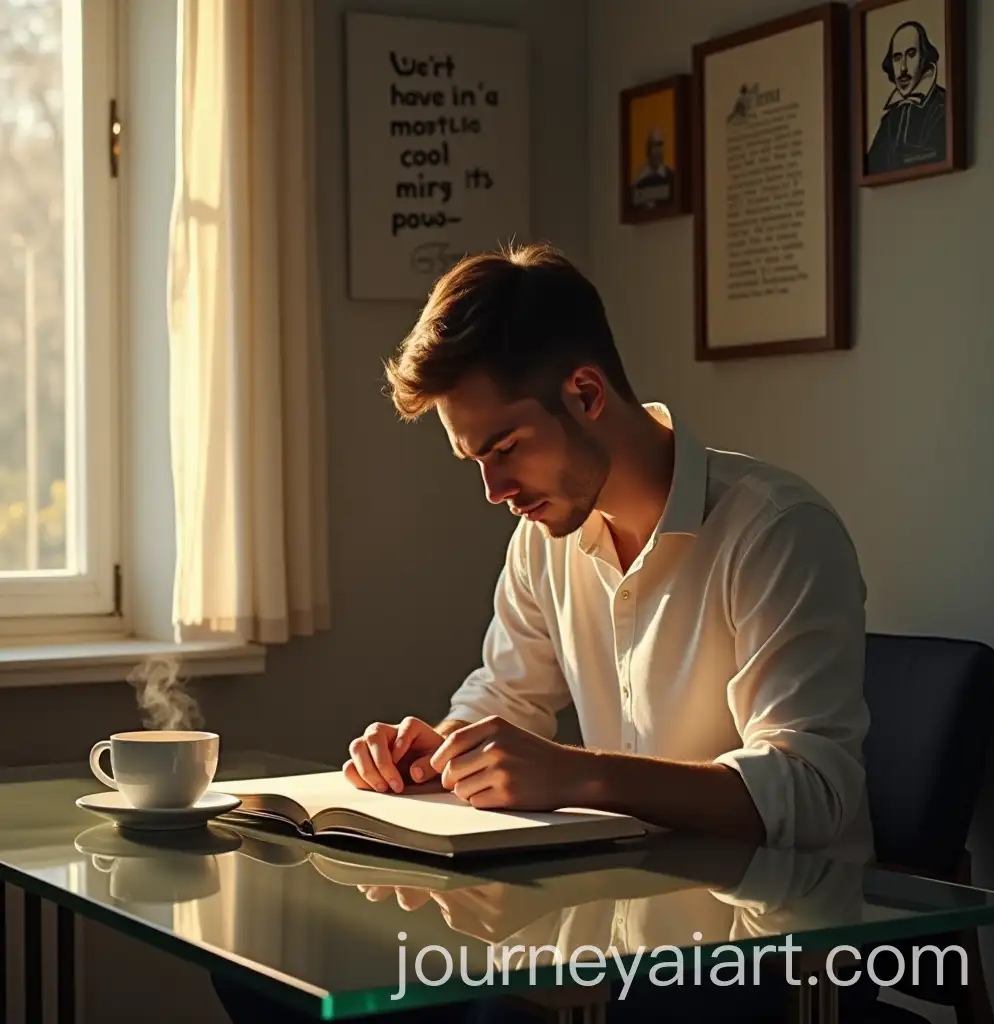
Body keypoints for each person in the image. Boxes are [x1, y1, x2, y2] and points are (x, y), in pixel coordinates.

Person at [213, 242, 876, 1021]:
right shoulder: (545, 540)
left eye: (504, 449)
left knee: (486, 1012)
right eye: (475, 460)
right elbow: (504, 699)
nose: (494, 490)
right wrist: (441, 750)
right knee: (269, 975)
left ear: (587, 392)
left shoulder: (776, 531)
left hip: (772, 960)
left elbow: (815, 791)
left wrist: (574, 773)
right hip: (614, 933)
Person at [866, 20, 947, 175]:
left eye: (911, 55)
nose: (903, 68)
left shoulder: (943, 107)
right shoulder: (889, 120)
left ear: (924, 57)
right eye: (897, 58)